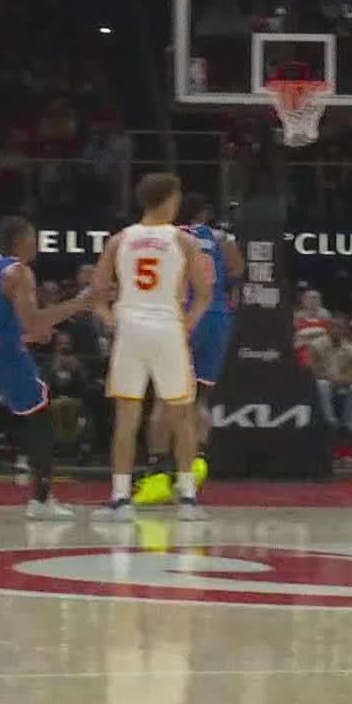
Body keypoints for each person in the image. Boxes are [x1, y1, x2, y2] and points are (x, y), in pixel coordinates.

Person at [90, 174, 213, 522]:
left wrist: (110, 320)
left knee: (126, 417)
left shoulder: (119, 239)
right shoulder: (183, 240)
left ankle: (120, 498)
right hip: (167, 329)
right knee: (181, 415)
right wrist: (189, 323)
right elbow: (204, 293)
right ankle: (187, 499)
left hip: (129, 330)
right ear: (170, 199)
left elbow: (96, 294)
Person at [0, 216, 92, 520]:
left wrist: (29, 334)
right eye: (33, 237)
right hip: (0, 354)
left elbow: (0, 317)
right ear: (20, 241)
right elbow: (32, 321)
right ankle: (41, 500)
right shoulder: (20, 271)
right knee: (40, 415)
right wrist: (80, 303)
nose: (37, 243)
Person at [133, 193, 243, 506]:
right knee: (200, 399)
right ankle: (197, 462)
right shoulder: (220, 237)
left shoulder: (170, 236)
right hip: (218, 318)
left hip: (183, 316)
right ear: (204, 213)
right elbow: (237, 270)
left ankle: (157, 473)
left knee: (163, 399)